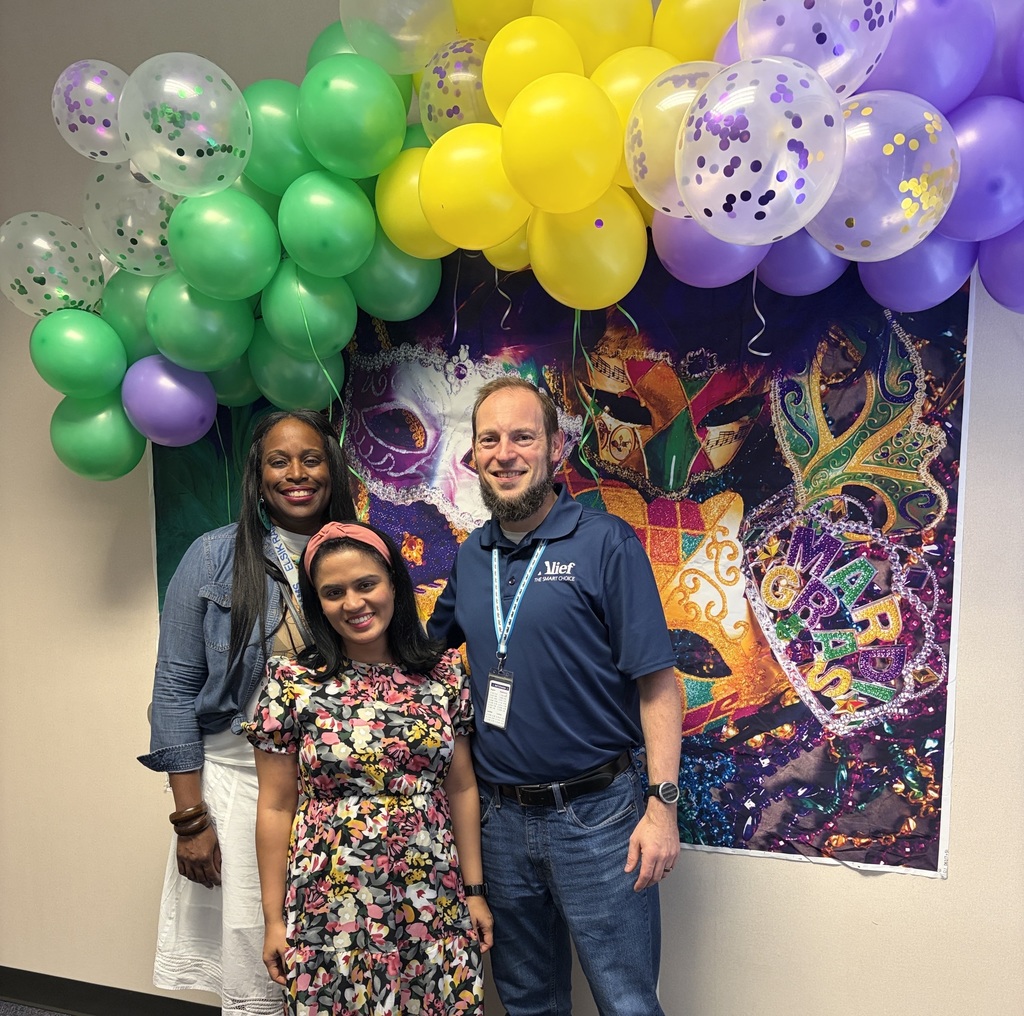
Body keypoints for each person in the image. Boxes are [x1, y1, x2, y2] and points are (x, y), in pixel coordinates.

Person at [427, 377, 682, 1016]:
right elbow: (418, 657)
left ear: (554, 449)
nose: (505, 453)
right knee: (526, 1002)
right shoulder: (470, 556)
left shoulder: (605, 544)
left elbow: (658, 683)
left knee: (625, 1002)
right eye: (490, 439)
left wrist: (662, 809)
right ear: (474, 457)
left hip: (599, 820)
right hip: (501, 822)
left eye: (522, 436)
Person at [139, 409, 356, 1016]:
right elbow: (174, 690)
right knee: (258, 981)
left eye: (311, 459)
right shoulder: (211, 558)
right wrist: (190, 819)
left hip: (336, 794)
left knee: (336, 960)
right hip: (235, 789)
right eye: (278, 461)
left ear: (331, 469)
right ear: (257, 477)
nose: (296, 474)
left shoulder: (356, 554)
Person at [246, 521, 493, 1014]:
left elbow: (462, 788)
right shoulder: (291, 682)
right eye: (333, 592)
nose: (353, 603)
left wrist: (474, 891)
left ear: (394, 585)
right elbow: (275, 807)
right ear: (317, 603)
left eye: (366, 584)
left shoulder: (443, 675)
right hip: (331, 899)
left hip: (433, 893)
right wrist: (275, 920)